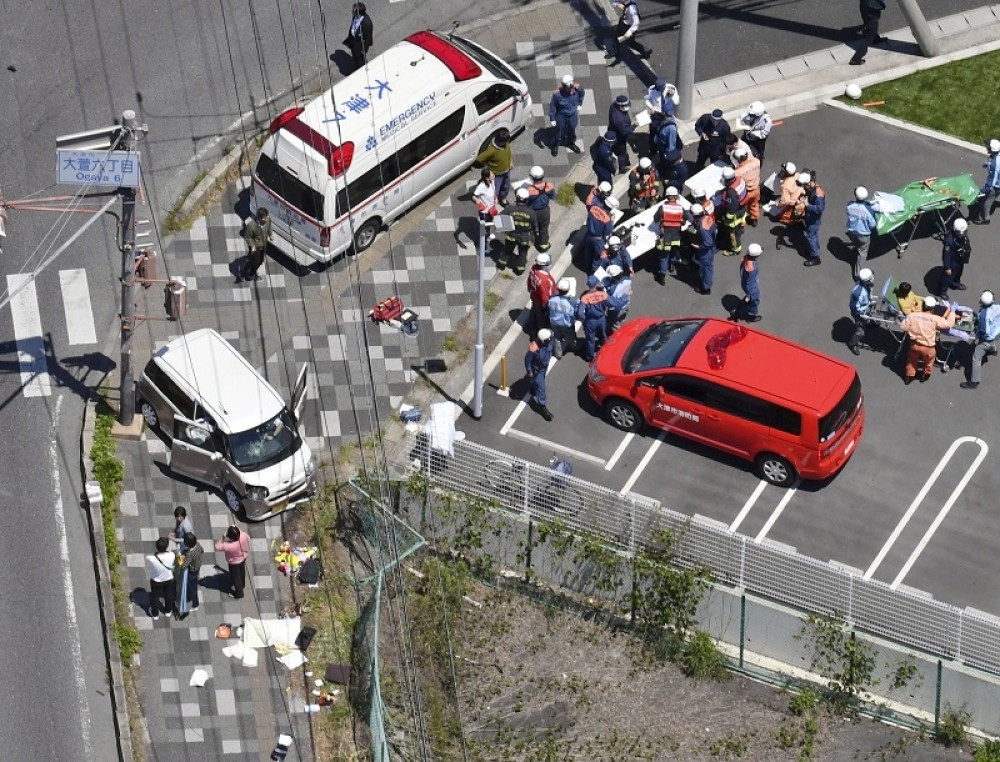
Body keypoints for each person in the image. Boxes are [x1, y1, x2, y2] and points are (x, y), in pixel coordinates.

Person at [900, 296, 955, 384]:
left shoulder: (913, 315)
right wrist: (952, 312)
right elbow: (949, 324)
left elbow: (903, 326)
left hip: (915, 345)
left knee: (911, 361)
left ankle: (909, 377)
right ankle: (925, 376)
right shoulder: (935, 319)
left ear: (923, 305)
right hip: (928, 347)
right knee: (929, 362)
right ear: (932, 308)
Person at [962, 290, 1000, 389]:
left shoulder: (984, 315)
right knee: (992, 342)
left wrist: (976, 335)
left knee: (976, 358)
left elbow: (984, 331)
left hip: (987, 339)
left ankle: (974, 381)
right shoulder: (997, 306)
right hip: (997, 332)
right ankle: (993, 350)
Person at [504, 187, 539, 275]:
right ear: (527, 199)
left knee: (507, 250)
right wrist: (536, 234)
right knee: (523, 253)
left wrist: (505, 229)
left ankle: (502, 264)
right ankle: (520, 269)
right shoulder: (531, 212)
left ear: (517, 197)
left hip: (511, 235)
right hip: (525, 237)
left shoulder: (510, 209)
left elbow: (500, 218)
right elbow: (535, 226)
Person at [654, 186, 685, 283]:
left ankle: (662, 275)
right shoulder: (680, 208)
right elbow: (685, 219)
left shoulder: (662, 208)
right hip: (676, 235)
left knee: (664, 255)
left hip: (665, 236)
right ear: (675, 196)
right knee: (673, 251)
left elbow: (656, 219)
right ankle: (672, 266)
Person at [549, 75, 585, 156]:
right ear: (564, 86)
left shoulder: (577, 89)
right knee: (558, 130)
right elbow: (553, 106)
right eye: (568, 88)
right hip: (561, 115)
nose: (570, 90)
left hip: (572, 115)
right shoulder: (557, 94)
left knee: (572, 129)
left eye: (571, 88)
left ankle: (570, 143)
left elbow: (582, 94)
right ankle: (555, 144)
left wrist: (580, 103)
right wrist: (552, 118)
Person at [606, 0, 652, 65]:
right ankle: (616, 53)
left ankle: (645, 52)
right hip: (623, 22)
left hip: (628, 27)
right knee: (616, 37)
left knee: (631, 43)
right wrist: (617, 4)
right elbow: (614, 2)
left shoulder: (632, 8)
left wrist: (629, 32)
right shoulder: (624, 2)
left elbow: (636, 22)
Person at [846, 186, 877, 280]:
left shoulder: (849, 205)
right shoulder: (869, 209)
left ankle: (857, 246)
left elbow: (848, 213)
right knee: (862, 253)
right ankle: (857, 273)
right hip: (864, 234)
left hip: (852, 231)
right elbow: (873, 224)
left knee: (857, 243)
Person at [475, 128, 513, 206]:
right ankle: (493, 202)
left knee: (506, 186)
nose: (507, 143)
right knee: (496, 190)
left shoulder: (506, 144)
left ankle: (502, 198)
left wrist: (510, 162)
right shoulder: (491, 150)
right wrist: (488, 167)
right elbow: (479, 159)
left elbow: (509, 152)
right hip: (496, 174)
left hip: (507, 171)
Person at [577, 275, 609, 361]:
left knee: (590, 340)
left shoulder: (584, 297)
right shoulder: (603, 294)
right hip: (601, 319)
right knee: (603, 336)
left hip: (590, 321)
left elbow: (580, 313)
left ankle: (590, 356)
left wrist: (585, 319)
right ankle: (607, 350)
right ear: (596, 284)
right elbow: (612, 304)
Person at [525, 329, 554, 421]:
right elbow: (527, 360)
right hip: (537, 370)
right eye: (548, 340)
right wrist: (529, 371)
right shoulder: (534, 349)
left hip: (544, 367)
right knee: (541, 388)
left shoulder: (548, 342)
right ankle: (542, 407)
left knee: (535, 382)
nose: (550, 340)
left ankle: (532, 388)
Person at [937, 218, 971, 298]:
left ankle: (955, 284)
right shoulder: (949, 241)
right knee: (947, 277)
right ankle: (942, 291)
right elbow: (947, 255)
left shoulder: (962, 235)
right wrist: (947, 267)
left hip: (960, 258)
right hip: (953, 261)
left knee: (958, 273)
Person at [718, 166, 748, 256]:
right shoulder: (739, 180)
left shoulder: (731, 192)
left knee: (733, 234)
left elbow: (732, 208)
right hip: (742, 209)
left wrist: (727, 218)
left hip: (735, 215)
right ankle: (740, 229)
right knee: (739, 228)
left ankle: (735, 249)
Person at [215, 525, 251, 599]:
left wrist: (223, 537)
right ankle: (242, 585)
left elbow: (217, 546)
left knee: (236, 577)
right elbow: (248, 538)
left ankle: (239, 593)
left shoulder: (229, 546)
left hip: (234, 563)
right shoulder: (243, 536)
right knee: (242, 571)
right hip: (243, 557)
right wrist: (236, 528)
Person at [689, 203, 717, 295]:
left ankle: (705, 288)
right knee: (706, 267)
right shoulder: (706, 217)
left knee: (706, 268)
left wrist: (699, 247)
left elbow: (707, 242)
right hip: (710, 246)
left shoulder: (702, 228)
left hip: (706, 250)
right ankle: (705, 282)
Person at [526, 166, 556, 252]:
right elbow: (553, 196)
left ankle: (530, 241)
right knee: (543, 228)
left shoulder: (529, 190)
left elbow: (526, 202)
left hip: (533, 212)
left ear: (532, 177)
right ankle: (543, 245)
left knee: (531, 228)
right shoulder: (549, 185)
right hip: (545, 211)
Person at [584, 192, 616, 271]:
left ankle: (586, 264)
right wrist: (611, 221)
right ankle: (593, 270)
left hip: (588, 234)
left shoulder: (593, 207)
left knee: (588, 251)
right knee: (599, 256)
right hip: (598, 239)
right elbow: (608, 231)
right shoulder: (607, 219)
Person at [799, 170, 826, 267]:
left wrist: (807, 204)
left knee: (811, 236)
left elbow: (819, 209)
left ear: (809, 183)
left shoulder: (818, 194)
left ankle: (815, 257)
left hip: (813, 217)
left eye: (804, 185)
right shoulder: (812, 188)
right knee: (812, 235)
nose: (803, 187)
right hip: (810, 215)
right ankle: (812, 249)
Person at [846, 268, 876, 355]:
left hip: (865, 307)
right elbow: (854, 307)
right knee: (861, 332)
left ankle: (867, 322)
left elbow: (868, 294)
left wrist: (871, 300)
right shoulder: (858, 293)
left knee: (868, 315)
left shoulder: (867, 284)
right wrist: (861, 315)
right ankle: (852, 344)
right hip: (859, 313)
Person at [644, 79, 679, 153]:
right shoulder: (651, 90)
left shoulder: (671, 88)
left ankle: (666, 147)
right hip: (657, 113)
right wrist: (651, 107)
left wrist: (672, 96)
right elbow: (646, 99)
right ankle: (653, 149)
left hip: (667, 113)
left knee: (669, 130)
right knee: (653, 131)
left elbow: (676, 102)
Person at [970, 139, 1000, 224]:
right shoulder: (996, 158)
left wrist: (982, 191)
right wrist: (989, 164)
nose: (986, 148)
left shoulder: (995, 164)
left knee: (986, 202)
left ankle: (985, 219)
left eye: (988, 147)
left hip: (997, 187)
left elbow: (991, 183)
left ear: (992, 149)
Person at [548, 279, 579, 359]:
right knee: (571, 337)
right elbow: (573, 315)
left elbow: (549, 308)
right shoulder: (571, 304)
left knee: (557, 337)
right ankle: (574, 348)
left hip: (554, 322)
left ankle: (558, 354)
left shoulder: (552, 300)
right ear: (568, 290)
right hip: (566, 325)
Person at [239, 208, 272, 282]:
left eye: (267, 216)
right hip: (255, 246)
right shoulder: (251, 226)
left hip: (263, 245)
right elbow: (247, 236)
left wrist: (270, 234)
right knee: (255, 262)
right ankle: (247, 273)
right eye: (265, 217)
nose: (267, 218)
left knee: (260, 261)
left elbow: (269, 227)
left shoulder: (268, 220)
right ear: (260, 218)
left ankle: (250, 272)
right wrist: (252, 245)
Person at [526, 253, 557, 331]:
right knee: (541, 317)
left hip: (534, 295)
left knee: (534, 310)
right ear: (543, 266)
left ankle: (531, 324)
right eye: (548, 264)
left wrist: (529, 288)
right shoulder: (544, 279)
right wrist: (546, 305)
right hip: (541, 301)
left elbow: (529, 280)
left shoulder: (533, 269)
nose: (550, 265)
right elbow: (545, 294)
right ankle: (540, 331)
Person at [850, 0, 887, 66]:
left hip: (865, 7)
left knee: (872, 26)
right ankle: (855, 59)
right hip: (871, 10)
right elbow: (878, 5)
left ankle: (875, 39)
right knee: (870, 35)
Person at [146, 537, 175, 619]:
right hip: (169, 578)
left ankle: (155, 614)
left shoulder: (152, 558)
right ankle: (168, 611)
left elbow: (148, 558)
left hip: (156, 581)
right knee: (168, 594)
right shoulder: (172, 555)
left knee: (155, 597)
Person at [732, 148, 761, 227]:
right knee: (754, 204)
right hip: (756, 189)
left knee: (741, 207)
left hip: (745, 192)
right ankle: (754, 218)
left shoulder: (738, 172)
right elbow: (751, 158)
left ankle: (742, 222)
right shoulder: (756, 162)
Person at [177, 532, 204, 614]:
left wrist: (179, 557)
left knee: (192, 588)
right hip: (197, 566)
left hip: (192, 571)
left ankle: (195, 604)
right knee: (192, 585)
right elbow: (202, 550)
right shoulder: (198, 545)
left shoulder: (189, 554)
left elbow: (183, 566)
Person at [343, 3, 374, 71]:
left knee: (359, 58)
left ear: (359, 13)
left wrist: (364, 50)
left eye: (354, 11)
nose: (352, 11)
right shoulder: (355, 16)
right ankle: (357, 64)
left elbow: (368, 38)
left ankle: (360, 69)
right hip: (354, 40)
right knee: (355, 55)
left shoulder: (367, 24)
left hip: (359, 45)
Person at [607, 95, 634, 171]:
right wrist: (633, 126)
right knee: (622, 153)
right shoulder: (618, 118)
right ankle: (622, 167)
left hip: (613, 131)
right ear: (620, 106)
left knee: (615, 147)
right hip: (619, 136)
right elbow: (623, 131)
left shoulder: (613, 106)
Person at [738, 243, 763, 322]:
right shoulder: (752, 269)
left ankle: (747, 300)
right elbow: (750, 283)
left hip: (744, 282)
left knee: (749, 297)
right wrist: (749, 294)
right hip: (752, 288)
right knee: (755, 301)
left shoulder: (746, 258)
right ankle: (751, 316)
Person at [604, 264, 632, 333]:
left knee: (614, 324)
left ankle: (617, 336)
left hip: (616, 310)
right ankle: (622, 329)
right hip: (626, 305)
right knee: (622, 320)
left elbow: (610, 301)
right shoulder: (628, 279)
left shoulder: (612, 289)